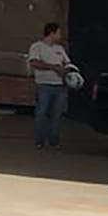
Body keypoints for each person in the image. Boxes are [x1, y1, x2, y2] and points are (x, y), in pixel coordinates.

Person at [27, 21, 72, 149]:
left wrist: (66, 70)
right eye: (58, 33)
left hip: (59, 86)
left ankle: (54, 141)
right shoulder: (37, 47)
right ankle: (39, 140)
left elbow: (67, 63)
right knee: (41, 113)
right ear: (51, 33)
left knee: (56, 115)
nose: (60, 36)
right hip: (43, 86)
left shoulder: (60, 49)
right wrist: (53, 67)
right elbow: (35, 63)